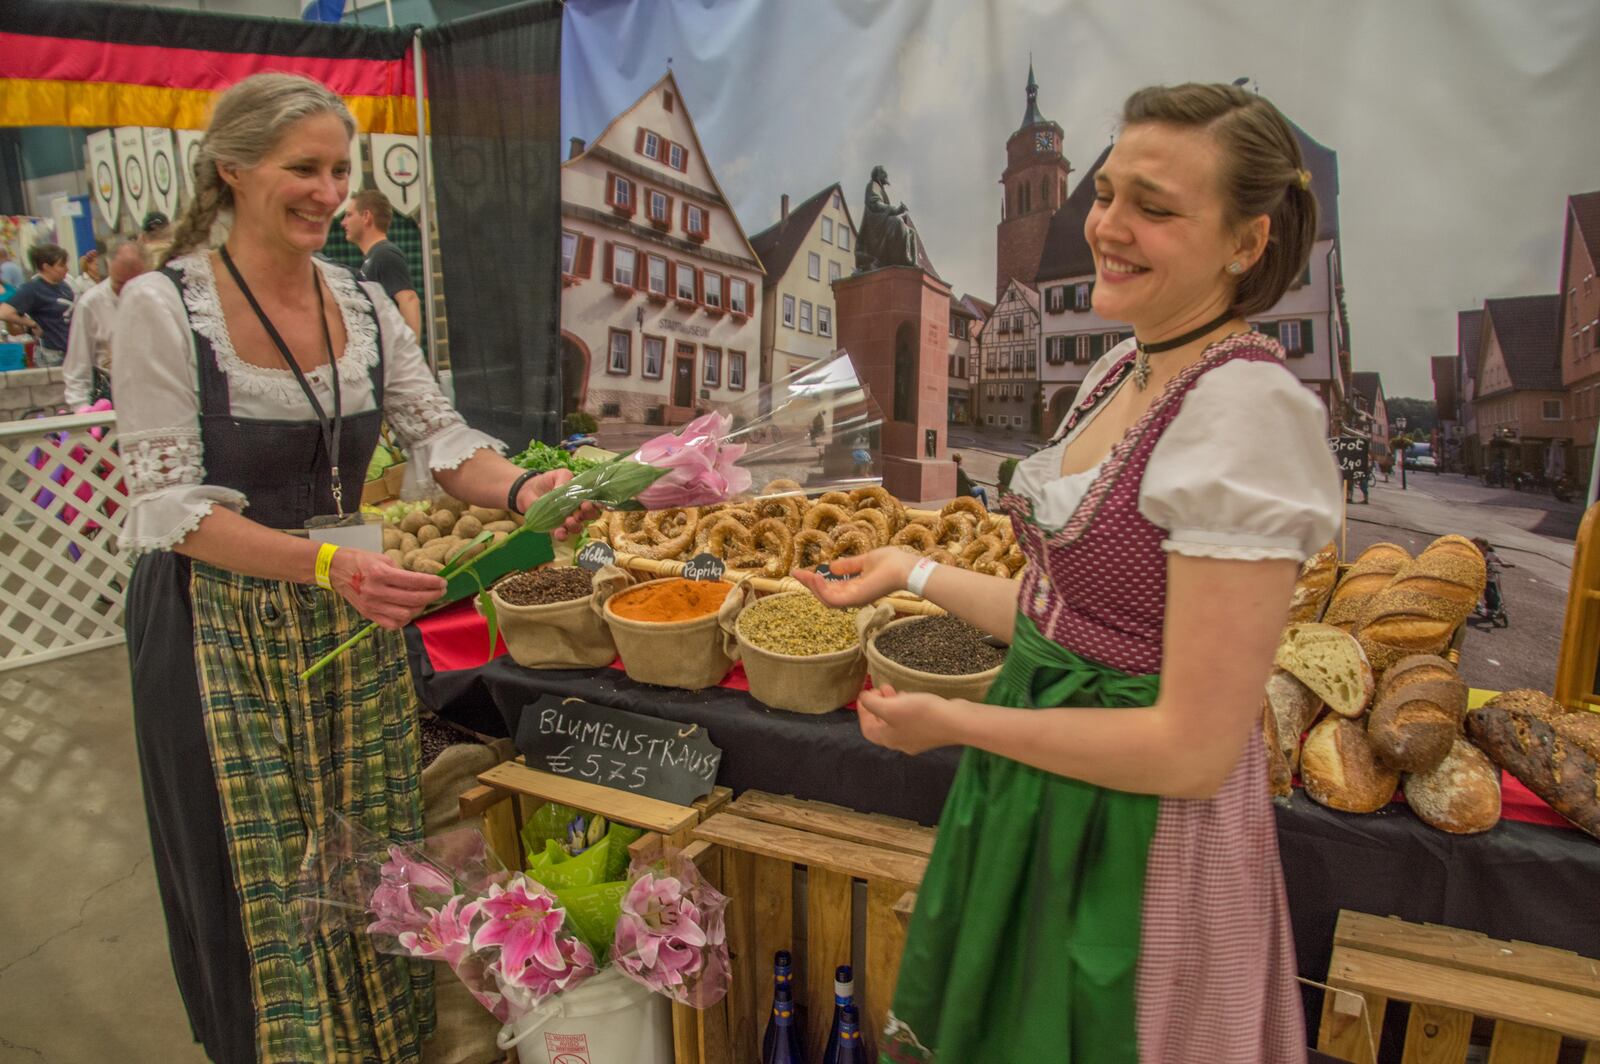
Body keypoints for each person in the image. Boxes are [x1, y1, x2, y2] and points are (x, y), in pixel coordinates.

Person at [794, 82, 1339, 1063]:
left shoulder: (1247, 416)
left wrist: (954, 721)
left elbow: (1191, 750)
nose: (1108, 228)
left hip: (1136, 836)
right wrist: (909, 569)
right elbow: (1068, 618)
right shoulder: (1121, 372)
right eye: (1106, 193)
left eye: (1155, 208)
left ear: (1245, 243)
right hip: (1044, 792)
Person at [114, 73, 592, 1064]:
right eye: (303, 168)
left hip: (348, 611)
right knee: (261, 869)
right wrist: (328, 561)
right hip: (221, 631)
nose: (327, 190)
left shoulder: (364, 304)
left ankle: (376, 1043)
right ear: (233, 168)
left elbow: (442, 438)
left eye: (339, 169)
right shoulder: (163, 306)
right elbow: (174, 511)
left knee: (369, 849)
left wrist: (529, 495)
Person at [63, 239, 147, 406]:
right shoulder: (90, 303)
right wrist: (82, 409)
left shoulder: (155, 297)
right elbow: (77, 365)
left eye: (134, 283)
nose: (127, 290)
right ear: (109, 268)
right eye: (120, 284)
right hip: (112, 397)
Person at [341, 188, 423, 339]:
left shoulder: (385, 254)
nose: (343, 222)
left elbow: (409, 300)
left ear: (366, 216)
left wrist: (410, 355)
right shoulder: (373, 258)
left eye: (348, 215)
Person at [0, 243, 76, 366]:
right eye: (61, 265)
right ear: (46, 267)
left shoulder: (65, 287)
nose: (66, 269)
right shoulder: (33, 288)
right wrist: (32, 324)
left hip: (71, 349)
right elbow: (4, 312)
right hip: (51, 353)